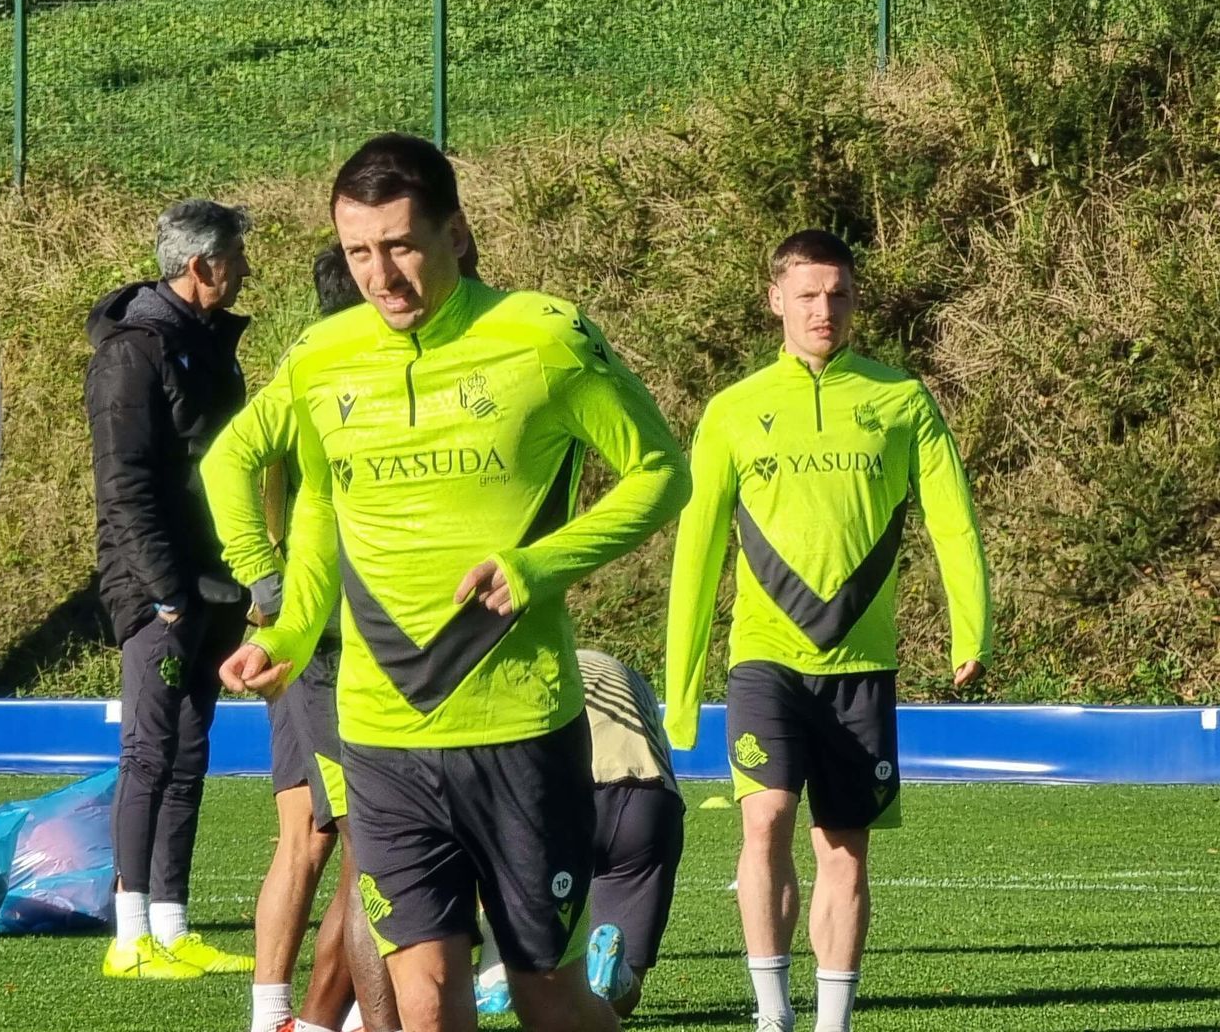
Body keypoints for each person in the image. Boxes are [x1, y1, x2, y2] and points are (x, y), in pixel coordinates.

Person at [221, 132, 691, 1032]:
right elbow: (320, 508)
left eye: (400, 245)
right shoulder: (321, 357)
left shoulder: (543, 337)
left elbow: (662, 473)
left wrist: (539, 565)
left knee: (546, 996)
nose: (380, 275)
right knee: (425, 996)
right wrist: (283, 627)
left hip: (519, 728)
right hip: (380, 733)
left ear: (457, 233)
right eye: (359, 251)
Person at [664, 229, 992, 1032]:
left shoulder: (901, 400)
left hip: (862, 665)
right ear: (775, 298)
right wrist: (680, 691)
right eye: (808, 294)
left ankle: (832, 1022)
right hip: (764, 660)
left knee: (844, 848)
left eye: (839, 294)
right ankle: (773, 1012)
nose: (824, 309)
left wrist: (970, 631)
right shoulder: (733, 411)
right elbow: (696, 550)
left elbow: (953, 521)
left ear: (855, 301)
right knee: (765, 817)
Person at [203, 243, 396, 1032]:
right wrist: (267, 579)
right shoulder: (327, 371)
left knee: (320, 840)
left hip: (302, 637)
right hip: (321, 642)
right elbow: (227, 463)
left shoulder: (314, 366)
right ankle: (313, 1019)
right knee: (360, 845)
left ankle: (283, 1016)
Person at [85, 198, 258, 980]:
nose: (246, 270)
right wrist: (165, 590)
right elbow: (124, 485)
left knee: (189, 752)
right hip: (161, 586)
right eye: (236, 258)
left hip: (215, 582)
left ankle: (171, 925)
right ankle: (128, 940)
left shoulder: (212, 345)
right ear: (200, 267)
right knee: (150, 754)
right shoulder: (131, 354)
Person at [473, 652, 684, 1021]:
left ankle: (495, 976)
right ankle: (618, 978)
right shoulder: (628, 675)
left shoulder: (528, 666)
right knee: (626, 990)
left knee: (501, 882)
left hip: (563, 795)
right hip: (647, 800)